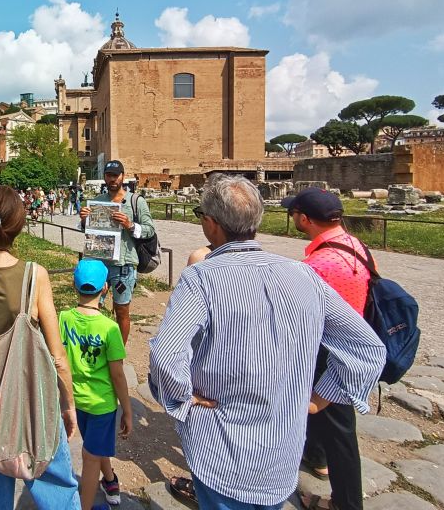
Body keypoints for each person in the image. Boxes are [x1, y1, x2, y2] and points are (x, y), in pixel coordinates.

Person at [149, 175, 385, 510]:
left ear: (211, 224)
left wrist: (182, 396)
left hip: (222, 450)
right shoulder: (302, 274)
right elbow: (368, 348)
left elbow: (165, 353)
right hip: (281, 453)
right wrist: (319, 399)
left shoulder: (201, 276)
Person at [0, 184, 80, 509]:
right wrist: (67, 403)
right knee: (56, 485)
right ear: (18, 225)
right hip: (28, 393)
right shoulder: (35, 275)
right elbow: (57, 356)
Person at [282, 187, 372, 510]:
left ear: (304, 219)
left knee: (341, 433)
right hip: (349, 342)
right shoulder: (356, 246)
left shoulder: (316, 265)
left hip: (330, 353)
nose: (292, 217)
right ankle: (317, 459)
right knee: (323, 419)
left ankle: (347, 503)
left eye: (294, 213)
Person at [59, 259, 132, 510]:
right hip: (102, 404)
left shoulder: (64, 319)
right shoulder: (110, 328)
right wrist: (128, 410)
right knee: (90, 457)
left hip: (76, 399)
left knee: (93, 443)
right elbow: (118, 375)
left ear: (74, 286)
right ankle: (86, 506)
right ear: (105, 289)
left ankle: (109, 479)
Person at [79, 160, 155, 343]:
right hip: (99, 263)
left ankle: (119, 353)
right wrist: (84, 221)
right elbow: (89, 231)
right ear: (105, 177)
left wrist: (130, 225)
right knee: (92, 307)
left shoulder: (136, 201)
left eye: (116, 175)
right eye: (109, 175)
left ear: (122, 176)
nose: (112, 179)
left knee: (122, 311)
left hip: (124, 265)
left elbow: (149, 229)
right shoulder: (98, 201)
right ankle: (96, 347)